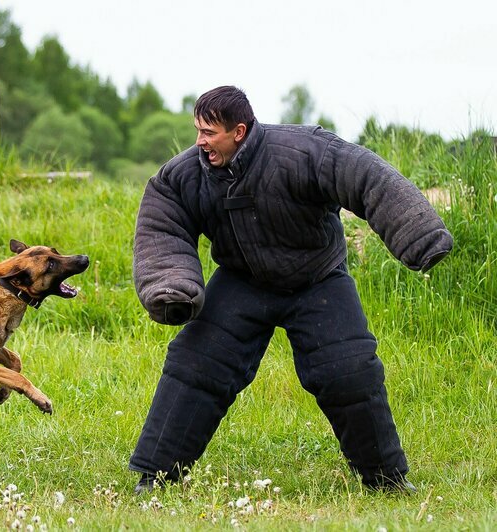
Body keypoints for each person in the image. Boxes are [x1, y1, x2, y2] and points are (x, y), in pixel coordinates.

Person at [130, 85, 453, 494]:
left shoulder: (303, 151)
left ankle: (386, 480)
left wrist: (418, 234)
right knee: (195, 365)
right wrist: (172, 285)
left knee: (349, 370)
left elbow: (368, 177)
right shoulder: (184, 175)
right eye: (197, 130)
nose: (200, 142)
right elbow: (163, 222)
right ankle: (155, 478)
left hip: (317, 278)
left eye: (209, 132)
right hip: (241, 281)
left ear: (240, 131)